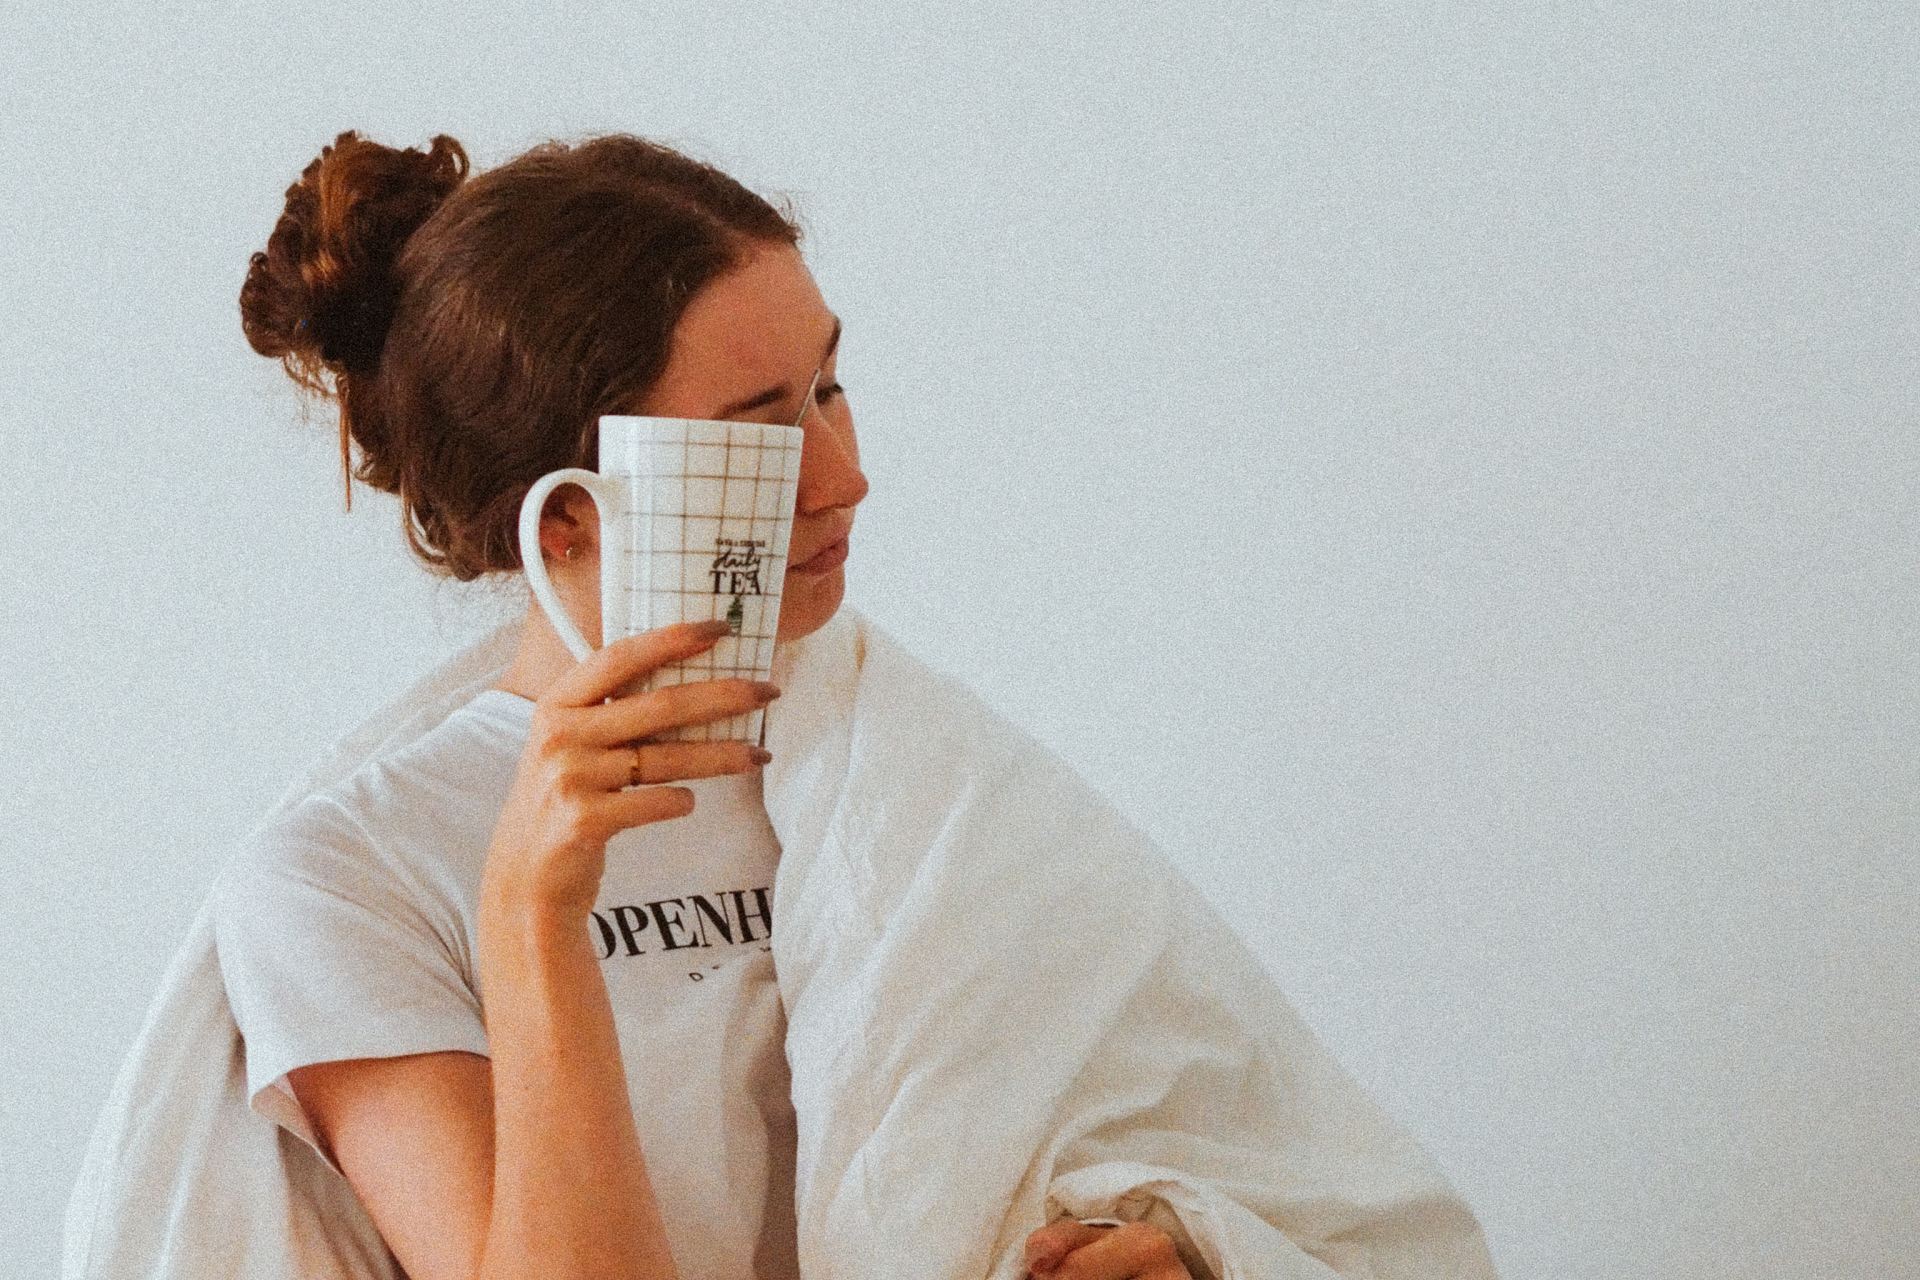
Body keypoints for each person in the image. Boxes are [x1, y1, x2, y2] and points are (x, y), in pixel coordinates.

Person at [226, 129, 1201, 1280]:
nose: (844, 476)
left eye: (829, 388)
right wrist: (533, 921)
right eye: (757, 431)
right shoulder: (351, 877)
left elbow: (1148, 1131)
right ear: (568, 519)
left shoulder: (917, 768)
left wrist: (1156, 1249)